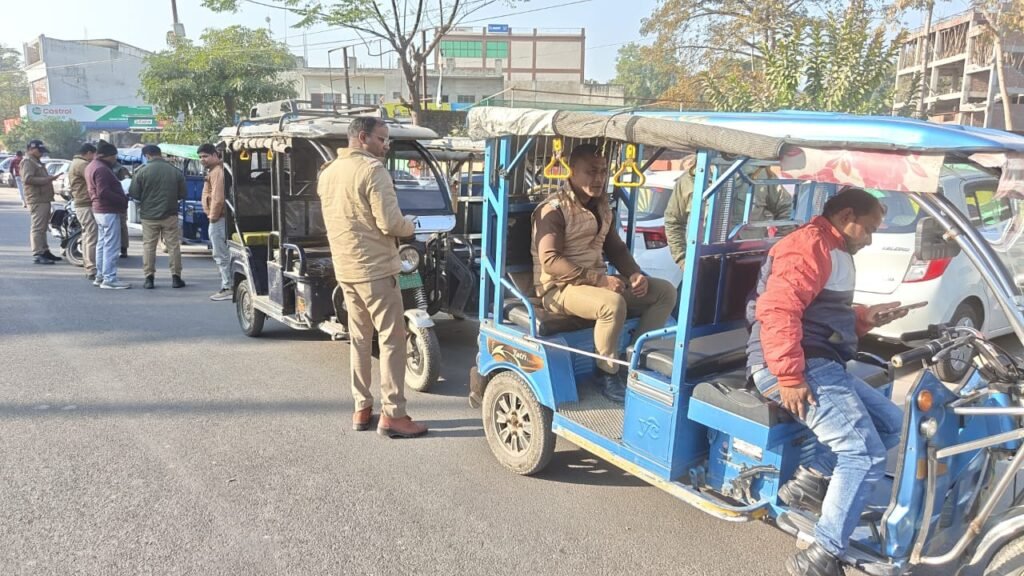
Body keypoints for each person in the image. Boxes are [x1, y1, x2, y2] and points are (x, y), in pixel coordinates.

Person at [746, 187, 906, 576]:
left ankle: (812, 479)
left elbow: (824, 315)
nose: (869, 240)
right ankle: (821, 555)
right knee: (863, 454)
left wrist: (866, 317)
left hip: (820, 360)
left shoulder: (836, 250)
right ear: (846, 216)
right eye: (868, 229)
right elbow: (778, 310)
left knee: (891, 423)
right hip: (790, 362)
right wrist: (789, 375)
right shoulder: (809, 246)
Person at [531, 144, 677, 403]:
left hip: (594, 283)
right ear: (571, 171)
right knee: (612, 304)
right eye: (591, 172)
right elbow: (551, 261)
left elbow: (615, 248)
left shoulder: (602, 207)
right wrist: (600, 280)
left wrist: (634, 274)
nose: (599, 178)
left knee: (664, 291)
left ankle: (632, 361)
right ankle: (606, 373)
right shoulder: (553, 209)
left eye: (603, 171)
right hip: (558, 289)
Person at [317, 116, 428, 439]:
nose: (386, 145)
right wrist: (410, 226)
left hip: (346, 269)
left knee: (360, 339)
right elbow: (390, 223)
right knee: (393, 340)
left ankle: (361, 407)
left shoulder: (329, 172)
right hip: (376, 269)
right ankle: (394, 414)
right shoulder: (372, 171)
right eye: (382, 139)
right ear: (363, 138)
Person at [664, 158, 793, 270]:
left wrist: (775, 251)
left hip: (750, 261)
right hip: (703, 262)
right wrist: (683, 260)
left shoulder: (759, 174)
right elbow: (673, 221)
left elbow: (786, 209)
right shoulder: (691, 178)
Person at [129, 145, 187, 289]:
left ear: (147, 155)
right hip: (170, 214)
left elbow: (134, 193)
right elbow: (183, 194)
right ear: (159, 154)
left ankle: (149, 278)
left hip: (148, 216)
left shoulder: (141, 172)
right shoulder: (175, 171)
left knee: (149, 246)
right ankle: (176, 277)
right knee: (173, 246)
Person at [87, 143, 131, 289]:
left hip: (99, 210)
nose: (115, 159)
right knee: (111, 246)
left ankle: (100, 276)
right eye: (114, 156)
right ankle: (109, 278)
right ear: (108, 156)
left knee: (102, 244)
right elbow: (103, 192)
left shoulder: (92, 166)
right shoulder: (102, 169)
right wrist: (122, 199)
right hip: (107, 210)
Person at [198, 144, 233, 301]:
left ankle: (228, 287)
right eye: (200, 157)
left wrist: (213, 217)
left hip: (218, 218)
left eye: (205, 156)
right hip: (218, 217)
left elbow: (218, 198)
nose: (202, 159)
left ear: (215, 154)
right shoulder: (214, 171)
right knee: (222, 254)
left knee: (221, 255)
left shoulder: (218, 171)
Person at [21, 140, 62, 265]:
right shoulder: (28, 161)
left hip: (43, 198)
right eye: (39, 151)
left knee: (43, 227)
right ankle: (38, 253)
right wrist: (47, 179)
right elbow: (27, 179)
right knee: (38, 227)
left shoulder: (36, 161)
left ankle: (45, 251)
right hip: (36, 199)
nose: (42, 153)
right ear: (31, 149)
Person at [67, 143, 98, 280]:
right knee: (91, 236)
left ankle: (89, 265)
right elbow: (95, 178)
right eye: (94, 154)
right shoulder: (82, 164)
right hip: (85, 203)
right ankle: (91, 268)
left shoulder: (76, 162)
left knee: (87, 236)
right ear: (89, 153)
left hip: (82, 203)